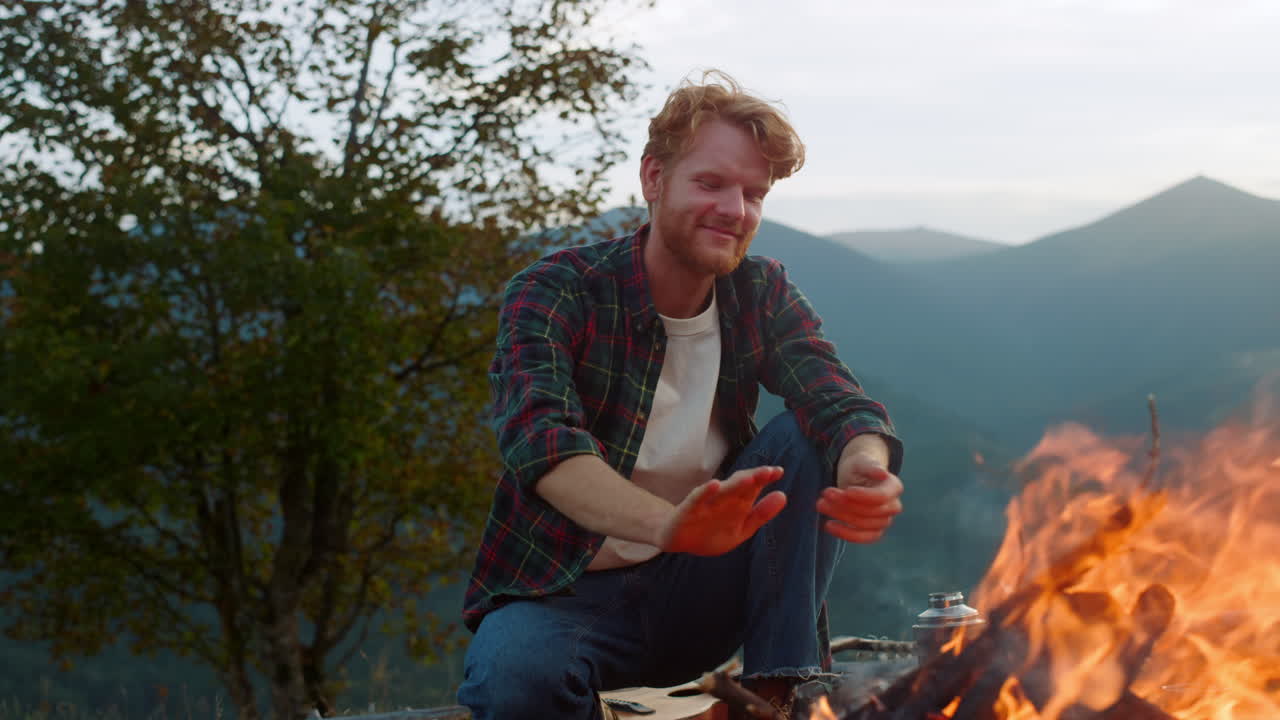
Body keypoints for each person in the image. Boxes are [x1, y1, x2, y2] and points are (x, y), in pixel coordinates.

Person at [457, 70, 905, 719]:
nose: (736, 209)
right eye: (712, 183)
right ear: (653, 178)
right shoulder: (557, 291)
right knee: (512, 677)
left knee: (813, 432)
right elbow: (543, 445)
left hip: (707, 591)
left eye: (754, 193)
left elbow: (837, 400)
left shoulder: (760, 291)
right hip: (566, 596)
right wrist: (668, 526)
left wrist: (866, 467)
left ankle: (781, 694)